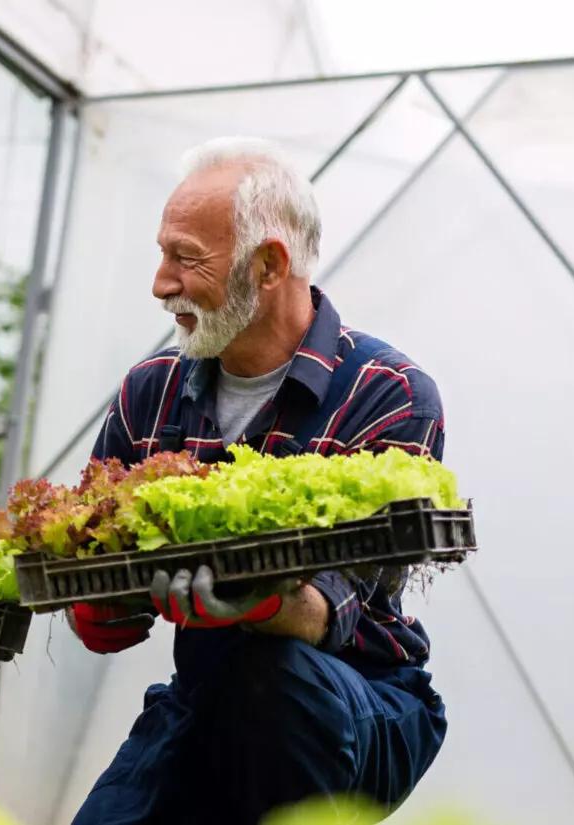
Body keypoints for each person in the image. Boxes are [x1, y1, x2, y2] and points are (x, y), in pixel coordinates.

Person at [68, 138, 449, 825]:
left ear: (269, 264)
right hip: (206, 686)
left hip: (359, 696)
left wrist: (245, 596)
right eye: (162, 254)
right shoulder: (149, 393)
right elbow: (103, 622)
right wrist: (92, 595)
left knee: (273, 682)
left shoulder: (387, 392)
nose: (160, 282)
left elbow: (334, 608)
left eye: (185, 258)